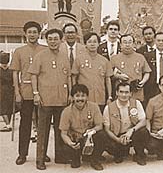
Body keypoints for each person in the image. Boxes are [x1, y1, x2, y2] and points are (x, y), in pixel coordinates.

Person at [28, 28, 71, 170]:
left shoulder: (65, 56)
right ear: (47, 40)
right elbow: (33, 75)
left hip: (62, 100)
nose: (53, 41)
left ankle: (61, 156)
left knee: (61, 130)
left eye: (55, 39)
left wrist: (70, 94)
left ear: (61, 40)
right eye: (50, 39)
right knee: (43, 131)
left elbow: (69, 76)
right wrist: (35, 93)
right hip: (45, 100)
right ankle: (40, 159)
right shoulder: (40, 55)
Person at [9, 21, 47, 165]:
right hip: (26, 93)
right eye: (29, 32)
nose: (32, 34)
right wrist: (17, 93)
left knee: (42, 125)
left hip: (42, 93)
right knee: (25, 124)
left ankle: (41, 153)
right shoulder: (19, 51)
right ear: (25, 34)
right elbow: (15, 73)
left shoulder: (45, 49)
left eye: (35, 32)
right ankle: (22, 154)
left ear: (39, 34)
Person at [59, 84, 106, 170]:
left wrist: (92, 131)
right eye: (77, 96)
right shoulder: (66, 111)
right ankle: (76, 158)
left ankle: (94, 160)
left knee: (102, 135)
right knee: (64, 147)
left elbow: (100, 125)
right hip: (76, 139)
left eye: (83, 96)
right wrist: (70, 143)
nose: (80, 99)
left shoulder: (94, 107)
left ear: (87, 97)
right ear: (72, 97)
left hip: (89, 137)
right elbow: (63, 133)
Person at [103, 82, 148, 166]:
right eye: (121, 92)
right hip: (117, 136)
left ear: (131, 93)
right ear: (116, 93)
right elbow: (107, 129)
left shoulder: (136, 103)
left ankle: (139, 154)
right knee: (104, 138)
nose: (124, 95)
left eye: (126, 92)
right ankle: (118, 154)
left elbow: (143, 121)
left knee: (143, 132)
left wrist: (131, 131)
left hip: (131, 134)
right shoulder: (108, 108)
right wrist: (118, 139)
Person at [72, 32, 113, 113]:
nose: (92, 44)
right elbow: (74, 78)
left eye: (95, 42)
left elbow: (108, 80)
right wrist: (74, 95)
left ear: (98, 44)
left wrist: (109, 96)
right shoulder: (79, 59)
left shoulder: (104, 60)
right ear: (85, 44)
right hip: (83, 98)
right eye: (89, 42)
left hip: (100, 96)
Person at [111, 34, 151, 102]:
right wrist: (118, 76)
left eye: (130, 42)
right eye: (125, 42)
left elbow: (147, 72)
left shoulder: (140, 57)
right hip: (121, 94)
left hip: (137, 93)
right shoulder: (114, 58)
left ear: (133, 44)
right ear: (120, 44)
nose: (127, 45)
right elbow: (109, 75)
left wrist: (143, 82)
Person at [144, 32, 163, 107]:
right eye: (158, 40)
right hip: (153, 87)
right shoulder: (147, 56)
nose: (160, 42)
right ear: (155, 41)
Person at [0, 52, 14, 132]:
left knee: (2, 108)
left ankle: (8, 125)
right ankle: (8, 123)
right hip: (10, 90)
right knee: (9, 108)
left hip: (2, 90)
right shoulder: (11, 70)